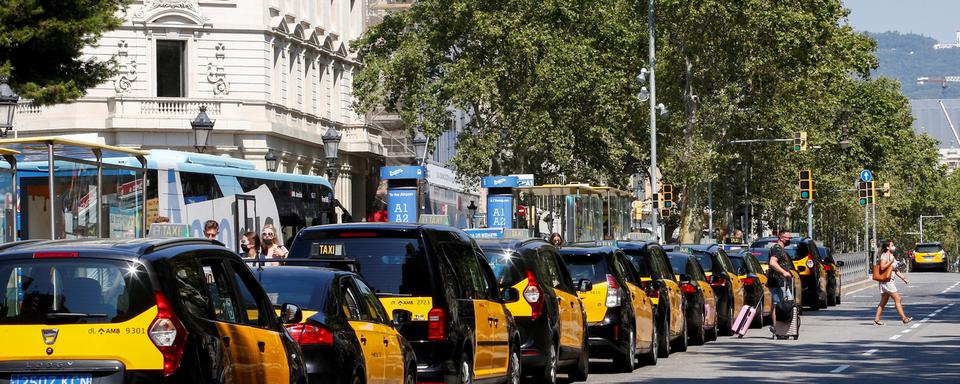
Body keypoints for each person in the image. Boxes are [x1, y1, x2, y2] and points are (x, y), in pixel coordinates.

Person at [873, 240, 912, 326]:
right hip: (887, 282)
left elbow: (895, 270)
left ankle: (877, 319)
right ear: (887, 247)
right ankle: (904, 318)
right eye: (892, 245)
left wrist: (903, 278)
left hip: (889, 281)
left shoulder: (891, 256)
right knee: (898, 299)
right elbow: (882, 267)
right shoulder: (884, 256)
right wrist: (890, 262)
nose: (894, 247)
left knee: (883, 302)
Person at [767, 229, 795, 339]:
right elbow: (772, 262)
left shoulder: (780, 249)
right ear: (781, 238)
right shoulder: (777, 249)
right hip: (778, 281)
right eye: (788, 238)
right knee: (778, 305)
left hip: (781, 282)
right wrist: (784, 272)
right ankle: (778, 331)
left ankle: (782, 331)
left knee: (783, 305)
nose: (790, 240)